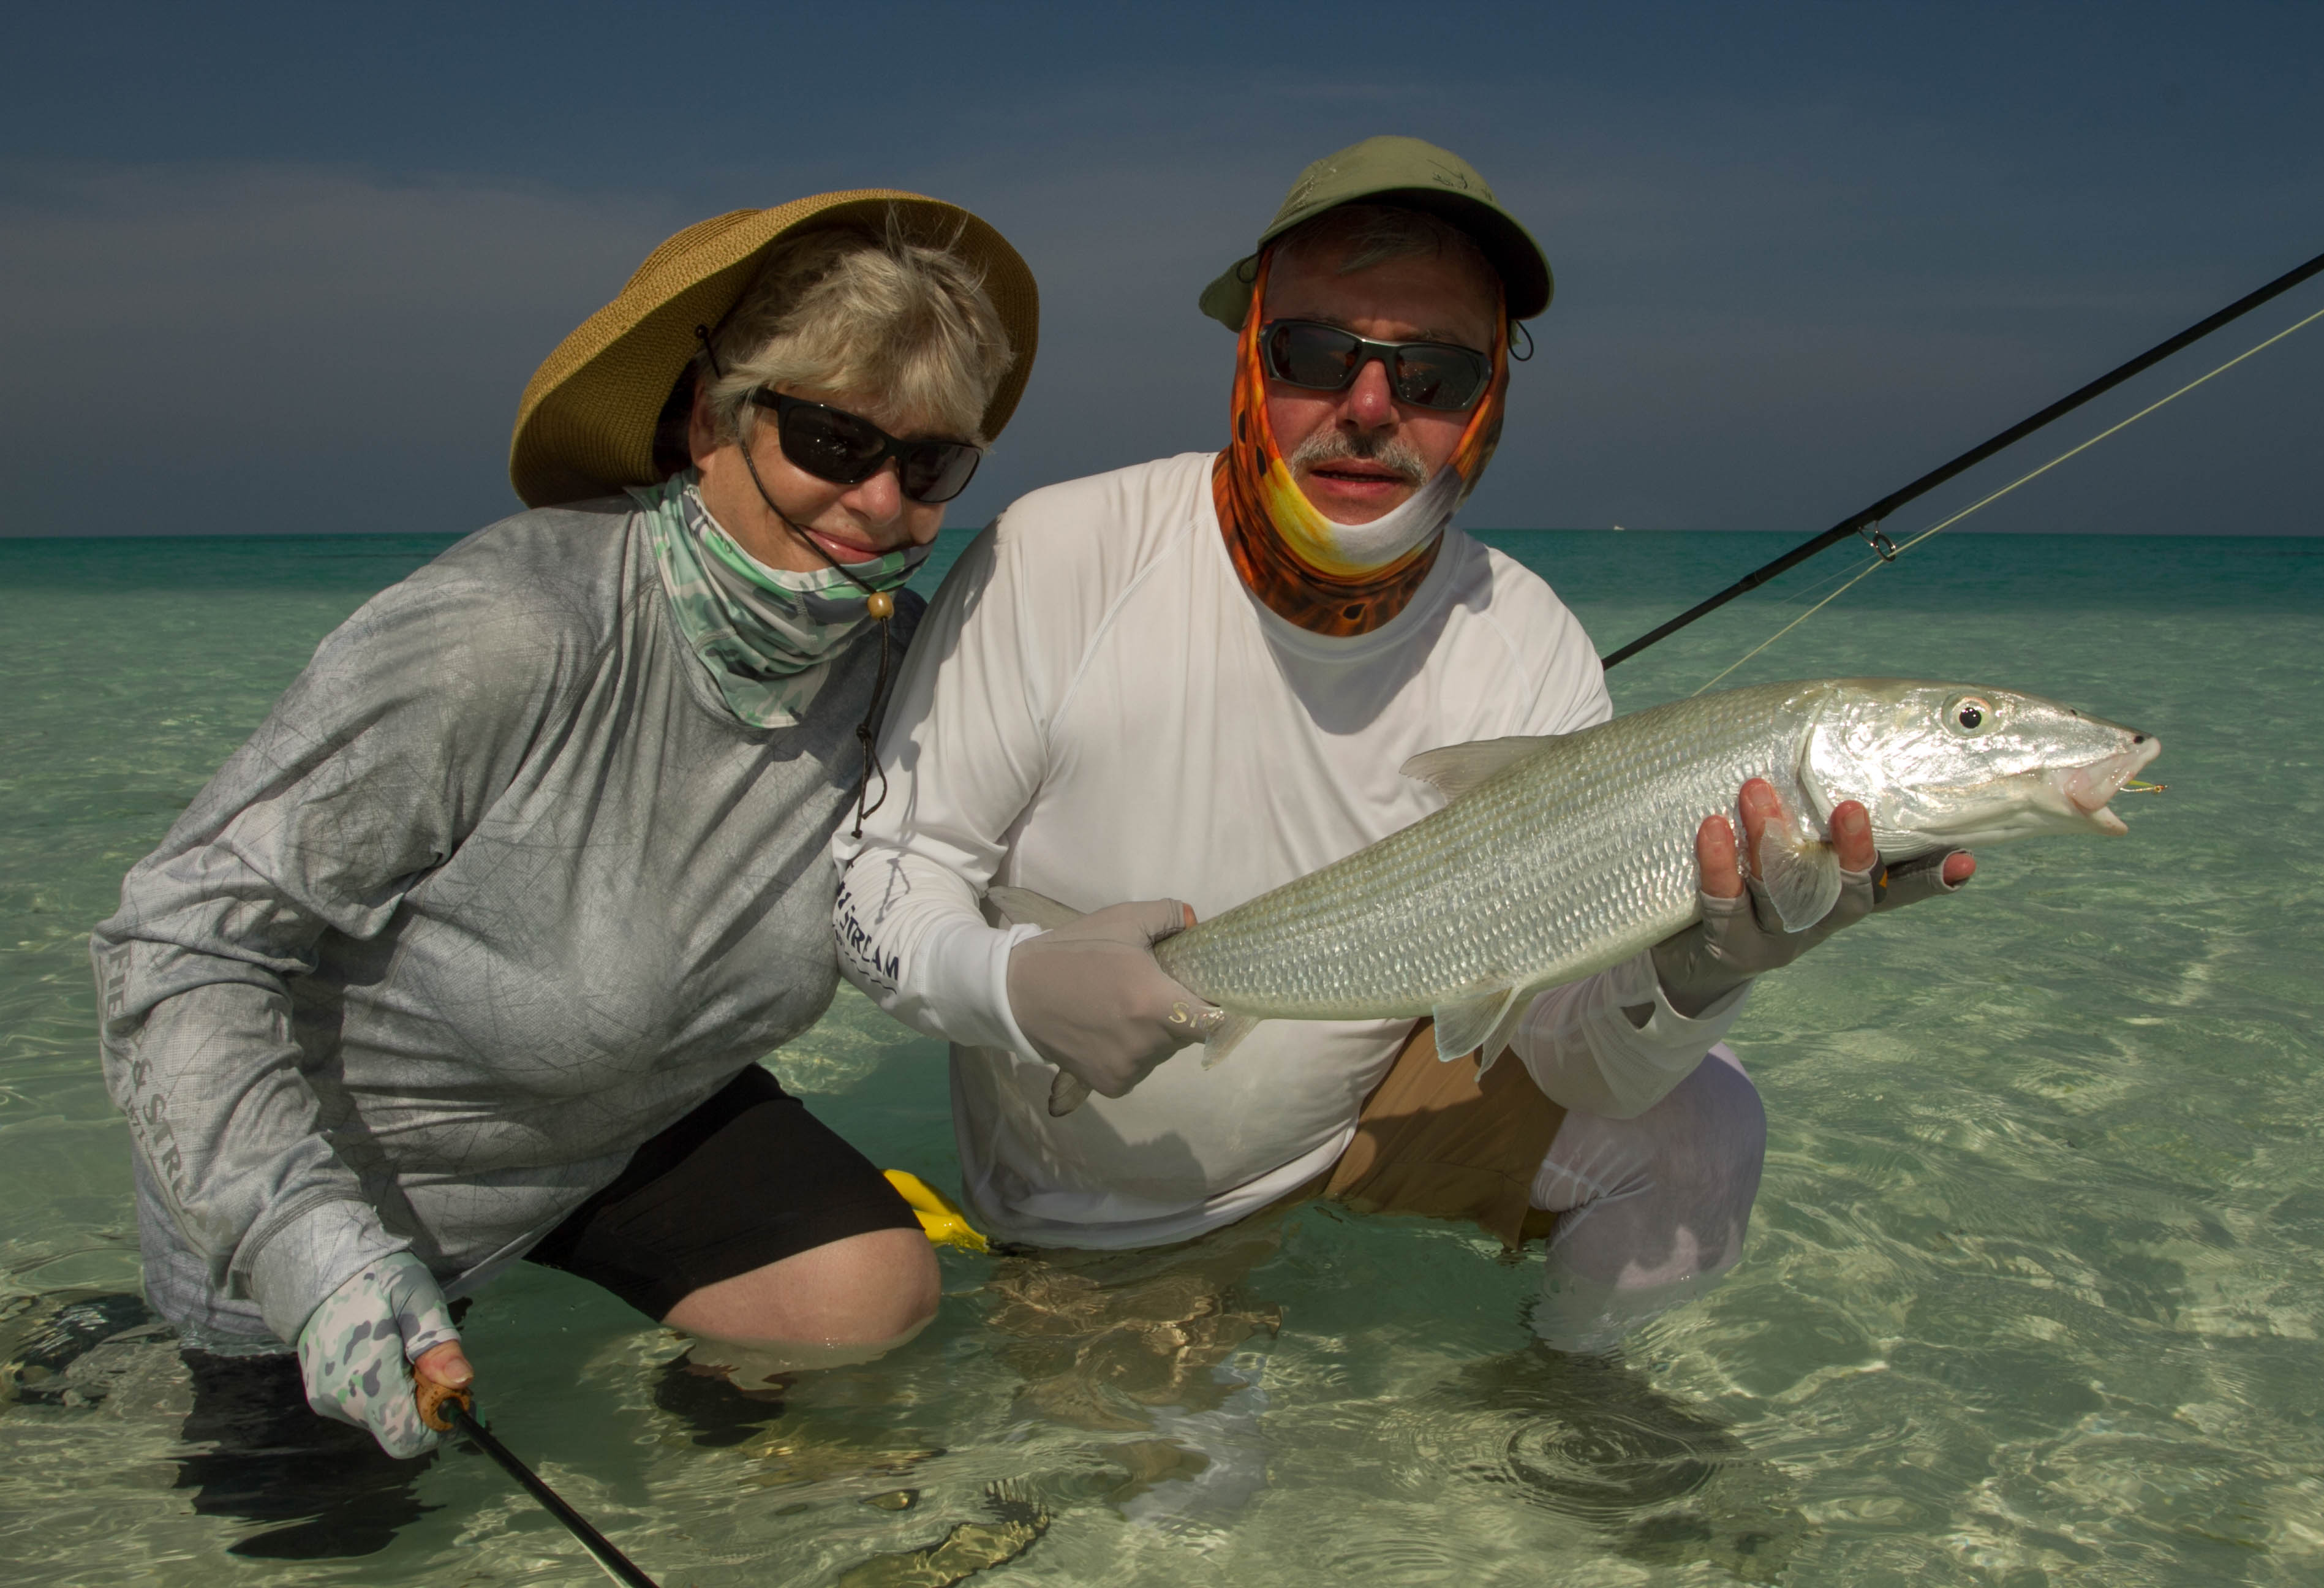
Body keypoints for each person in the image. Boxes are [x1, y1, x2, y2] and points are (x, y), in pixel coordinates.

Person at [834, 138, 1972, 1358]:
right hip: (1097, 1209)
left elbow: (1572, 1052)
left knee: (1703, 1130)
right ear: (1249, 353)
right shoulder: (1060, 555)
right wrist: (1013, 989)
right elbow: (877, 883)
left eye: (1429, 375)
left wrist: (1699, 970)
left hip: (1364, 1110)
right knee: (1189, 1535)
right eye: (1318, 356)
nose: (1369, 409)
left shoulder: (1527, 636)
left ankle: (1560, 1405)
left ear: (1489, 399)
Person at [91, 191, 1038, 1461]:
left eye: (928, 468)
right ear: (710, 421)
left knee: (872, 1297)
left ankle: (719, 1473)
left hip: (621, 1126)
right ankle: (100, 1353)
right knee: (343, 1548)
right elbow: (182, 942)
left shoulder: (900, 671)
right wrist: (309, 1260)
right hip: (341, 1182)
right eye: (830, 440)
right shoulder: (509, 629)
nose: (880, 504)